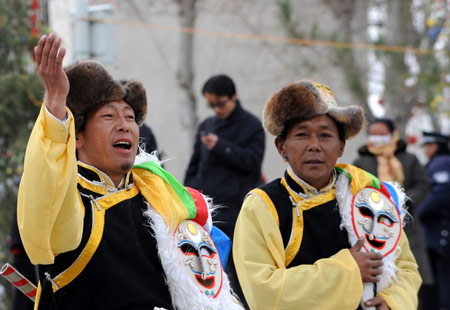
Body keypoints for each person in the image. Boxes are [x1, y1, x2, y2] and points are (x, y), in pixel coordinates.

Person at [17, 33, 243, 310]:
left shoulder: (162, 196)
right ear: (77, 137)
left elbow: (208, 286)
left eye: (130, 117)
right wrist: (55, 105)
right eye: (109, 116)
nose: (124, 125)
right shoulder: (72, 202)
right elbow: (44, 199)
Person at [233, 79, 421, 309]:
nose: (314, 146)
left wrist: (392, 302)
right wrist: (348, 270)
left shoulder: (366, 196)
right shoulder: (262, 206)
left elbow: (405, 268)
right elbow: (262, 292)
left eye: (325, 135)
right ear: (281, 146)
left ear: (341, 147)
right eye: (302, 135)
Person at [184, 74, 265, 307]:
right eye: (212, 105)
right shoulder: (207, 126)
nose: (217, 109)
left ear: (233, 97)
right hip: (207, 212)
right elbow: (194, 167)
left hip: (237, 211)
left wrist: (221, 146)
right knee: (206, 267)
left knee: (237, 271)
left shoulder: (251, 126)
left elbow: (252, 162)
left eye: (221, 103)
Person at [353, 118, 434, 309]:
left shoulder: (409, 159)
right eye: (374, 134)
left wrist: (400, 200)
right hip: (372, 228)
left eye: (382, 134)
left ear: (393, 134)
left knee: (409, 273)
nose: (378, 138)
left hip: (407, 226)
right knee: (378, 274)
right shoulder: (361, 161)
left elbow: (422, 185)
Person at [418, 131, 450, 310]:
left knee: (442, 283)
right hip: (435, 234)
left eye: (427, 146)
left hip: (440, 235)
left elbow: (441, 195)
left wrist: (417, 213)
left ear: (435, 145)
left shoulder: (442, 162)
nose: (425, 150)